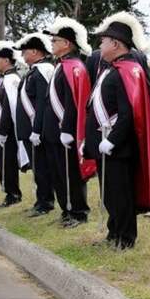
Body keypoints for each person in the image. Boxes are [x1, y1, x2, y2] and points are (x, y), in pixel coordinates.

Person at [86, 11, 150, 249]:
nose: (100, 45)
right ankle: (114, 233)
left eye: (104, 41)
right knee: (110, 194)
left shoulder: (129, 69)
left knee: (121, 195)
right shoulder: (111, 68)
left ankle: (125, 238)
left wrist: (113, 140)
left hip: (118, 147)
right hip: (104, 143)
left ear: (116, 44)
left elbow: (129, 112)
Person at [42, 17, 96, 228]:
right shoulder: (61, 65)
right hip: (53, 131)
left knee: (70, 174)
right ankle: (66, 210)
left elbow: (75, 102)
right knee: (58, 174)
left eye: (55, 40)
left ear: (67, 43)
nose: (52, 44)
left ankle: (78, 212)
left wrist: (67, 130)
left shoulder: (75, 67)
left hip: (67, 132)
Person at [14, 32, 56, 216]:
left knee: (42, 169)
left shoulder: (43, 71)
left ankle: (45, 203)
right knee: (37, 169)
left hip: (37, 129)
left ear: (34, 51)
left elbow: (41, 103)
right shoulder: (33, 71)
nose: (23, 56)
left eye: (25, 52)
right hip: (30, 129)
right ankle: (41, 200)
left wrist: (37, 129)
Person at [0, 41, 23, 208]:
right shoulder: (5, 79)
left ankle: (13, 194)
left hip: (6, 131)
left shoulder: (12, 79)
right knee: (2, 162)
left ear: (7, 60)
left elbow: (10, 107)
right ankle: (9, 192)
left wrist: (2, 130)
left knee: (8, 162)